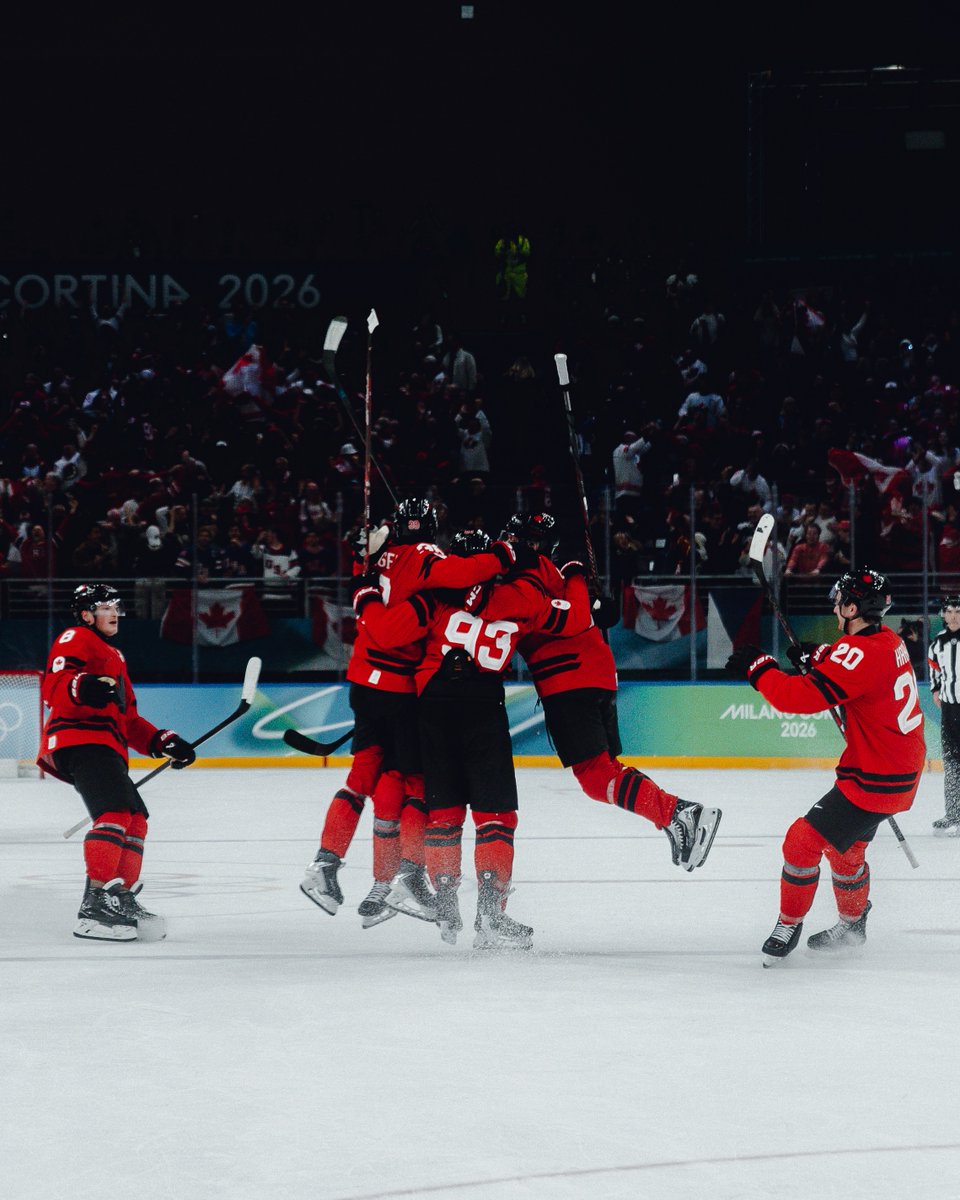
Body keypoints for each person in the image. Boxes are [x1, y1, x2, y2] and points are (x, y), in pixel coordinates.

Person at [355, 528, 592, 950]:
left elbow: (391, 629)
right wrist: (575, 574)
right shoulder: (520, 600)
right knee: (496, 817)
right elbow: (575, 618)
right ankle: (491, 915)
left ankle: (444, 903)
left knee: (443, 813)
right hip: (483, 707)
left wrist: (365, 572)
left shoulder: (436, 596)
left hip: (432, 708)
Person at [299, 500, 517, 927]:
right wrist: (503, 555)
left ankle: (326, 866)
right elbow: (456, 574)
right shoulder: (427, 558)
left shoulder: (379, 557)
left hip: (364, 681)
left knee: (368, 777)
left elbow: (371, 595)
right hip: (401, 687)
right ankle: (407, 877)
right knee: (415, 783)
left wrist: (360, 577)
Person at [726, 567, 926, 966]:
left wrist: (758, 667)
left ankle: (789, 922)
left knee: (801, 841)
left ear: (852, 607)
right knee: (847, 850)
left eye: (840, 601)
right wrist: (817, 654)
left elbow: (795, 697)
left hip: (873, 779)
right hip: (899, 773)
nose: (835, 606)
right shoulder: (888, 641)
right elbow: (855, 664)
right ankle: (852, 924)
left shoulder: (860, 654)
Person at [501, 512, 721, 872]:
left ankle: (681, 812)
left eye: (514, 538)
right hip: (597, 674)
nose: (507, 545)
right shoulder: (555, 574)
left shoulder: (524, 580)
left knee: (594, 777)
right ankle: (672, 818)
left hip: (568, 682)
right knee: (607, 770)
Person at [37, 584, 196, 941]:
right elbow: (56, 685)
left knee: (135, 819)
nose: (114, 613)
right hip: (81, 740)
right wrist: (82, 686)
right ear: (86, 614)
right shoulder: (74, 637)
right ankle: (95, 905)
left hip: (107, 746)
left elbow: (129, 720)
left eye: (116, 606)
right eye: (105, 606)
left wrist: (162, 740)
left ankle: (119, 897)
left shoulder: (115, 656)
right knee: (113, 816)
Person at [928, 595, 960, 835]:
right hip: (950, 708)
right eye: (949, 611)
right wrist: (936, 690)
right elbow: (935, 671)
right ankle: (953, 813)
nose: (953, 616)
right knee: (951, 763)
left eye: (958, 611)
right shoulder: (937, 644)